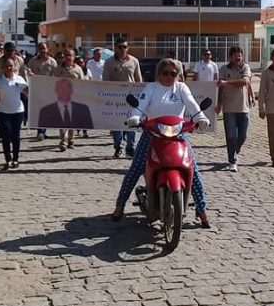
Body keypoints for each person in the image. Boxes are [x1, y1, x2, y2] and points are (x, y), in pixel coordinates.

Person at [111, 58, 211, 228]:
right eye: (165, 73)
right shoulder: (151, 88)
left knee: (193, 169)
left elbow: (192, 104)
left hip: (177, 134)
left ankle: (202, 211)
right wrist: (135, 116)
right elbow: (141, 104)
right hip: (153, 134)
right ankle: (119, 206)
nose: (169, 76)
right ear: (159, 73)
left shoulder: (181, 88)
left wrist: (201, 118)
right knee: (136, 168)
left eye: (173, 73)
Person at [0, 58, 28, 170]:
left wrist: (31, 80)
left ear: (14, 67)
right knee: (6, 136)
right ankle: (8, 159)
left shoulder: (19, 79)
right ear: (3, 68)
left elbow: (28, 94)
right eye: (7, 66)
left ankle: (15, 159)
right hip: (3, 112)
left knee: (15, 136)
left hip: (17, 111)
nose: (9, 68)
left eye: (11, 66)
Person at [102, 38, 142, 158]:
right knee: (117, 125)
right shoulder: (109, 62)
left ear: (127, 48)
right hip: (116, 99)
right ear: (115, 48)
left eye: (125, 47)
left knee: (132, 123)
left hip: (131, 99)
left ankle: (130, 147)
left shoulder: (134, 61)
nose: (122, 49)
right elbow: (105, 81)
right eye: (120, 47)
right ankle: (118, 147)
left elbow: (138, 80)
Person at [216, 46, 253, 172]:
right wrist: (219, 103)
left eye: (240, 55)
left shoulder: (246, 68)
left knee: (243, 136)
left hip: (243, 107)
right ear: (230, 57)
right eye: (235, 55)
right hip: (229, 108)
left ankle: (234, 151)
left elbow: (244, 82)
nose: (238, 57)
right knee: (231, 136)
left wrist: (226, 82)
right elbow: (220, 87)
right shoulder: (223, 69)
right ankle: (232, 161)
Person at [26, 42, 57, 141]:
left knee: (46, 111)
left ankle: (42, 131)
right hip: (36, 90)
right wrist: (29, 73)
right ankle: (41, 131)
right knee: (38, 111)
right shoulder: (33, 61)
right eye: (40, 48)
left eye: (44, 48)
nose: (42, 50)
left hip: (48, 90)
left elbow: (55, 76)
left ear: (48, 49)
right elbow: (28, 72)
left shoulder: (52, 62)